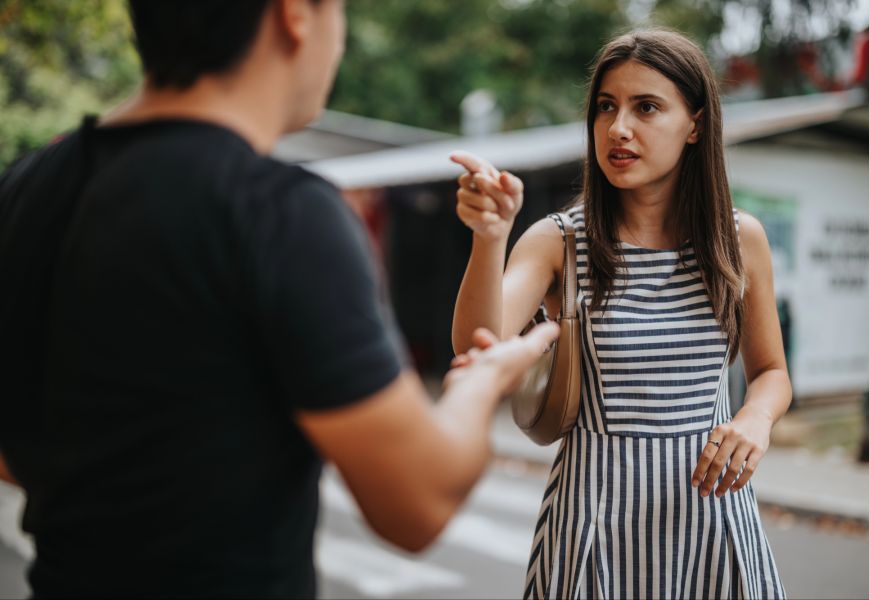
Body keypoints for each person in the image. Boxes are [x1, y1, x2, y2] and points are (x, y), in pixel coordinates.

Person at [0, 0, 559, 597]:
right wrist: (481, 384)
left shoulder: (30, 186)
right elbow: (415, 504)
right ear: (295, 13)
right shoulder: (279, 213)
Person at [451, 29, 791, 599]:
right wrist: (490, 237)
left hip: (714, 526)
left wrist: (755, 419)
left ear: (696, 125)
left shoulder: (739, 239)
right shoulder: (558, 240)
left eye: (646, 107)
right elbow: (476, 345)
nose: (618, 128)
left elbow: (772, 373)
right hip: (593, 529)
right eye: (606, 107)